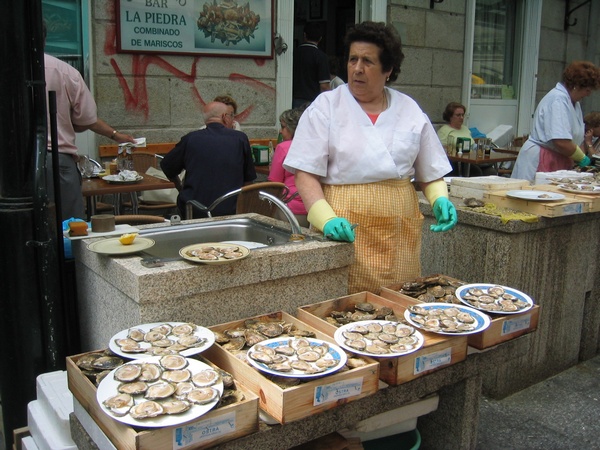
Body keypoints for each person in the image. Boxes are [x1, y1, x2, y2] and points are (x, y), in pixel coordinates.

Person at [284, 21, 457, 294]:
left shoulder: (409, 109)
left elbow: (430, 170)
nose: (357, 68)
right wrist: (325, 218)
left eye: (368, 61)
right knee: (345, 306)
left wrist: (439, 199)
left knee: (398, 302)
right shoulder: (326, 107)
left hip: (399, 232)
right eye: (353, 59)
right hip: (344, 224)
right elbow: (305, 172)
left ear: (388, 70)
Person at [43, 20, 134, 221]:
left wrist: (115, 135)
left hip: (13, 163)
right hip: (56, 161)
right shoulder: (64, 71)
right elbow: (86, 119)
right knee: (68, 226)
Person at [160, 102, 256, 218]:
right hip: (231, 211)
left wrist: (179, 186)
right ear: (224, 117)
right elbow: (248, 180)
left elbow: (167, 166)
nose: (233, 120)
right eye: (231, 116)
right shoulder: (240, 139)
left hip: (193, 210)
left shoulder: (190, 139)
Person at [511, 61, 600, 182]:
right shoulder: (557, 100)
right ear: (576, 86)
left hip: (559, 159)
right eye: (588, 90)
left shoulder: (575, 103)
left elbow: (575, 138)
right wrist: (583, 158)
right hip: (540, 158)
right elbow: (561, 141)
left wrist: (582, 160)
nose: (588, 94)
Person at [268, 108, 308, 227]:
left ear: (293, 128)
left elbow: (274, 183)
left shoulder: (284, 147)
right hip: (314, 207)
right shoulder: (315, 145)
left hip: (290, 208)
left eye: (283, 127)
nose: (280, 131)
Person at [437, 102, 488, 176]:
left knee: (490, 171)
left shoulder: (465, 128)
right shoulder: (444, 131)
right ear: (450, 116)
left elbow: (473, 145)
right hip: (454, 163)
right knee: (476, 172)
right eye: (458, 115)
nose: (461, 117)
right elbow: (441, 150)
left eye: (462, 115)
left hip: (471, 160)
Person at [292, 22, 330, 108]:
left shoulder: (294, 53)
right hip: (313, 101)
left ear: (304, 35)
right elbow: (324, 86)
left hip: (294, 99)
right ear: (320, 38)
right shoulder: (321, 57)